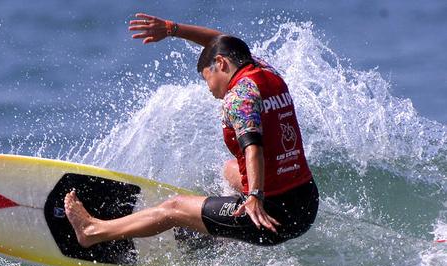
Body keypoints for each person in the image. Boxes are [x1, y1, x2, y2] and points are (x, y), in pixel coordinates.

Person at [64, 13, 318, 247]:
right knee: (230, 170)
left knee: (173, 207)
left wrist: (254, 196)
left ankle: (92, 231)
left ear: (220, 63)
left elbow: (253, 147)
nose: (209, 88)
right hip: (306, 203)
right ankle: (222, 230)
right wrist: (172, 29)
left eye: (207, 77)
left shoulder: (239, 97)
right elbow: (226, 43)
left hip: (271, 216)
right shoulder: (264, 72)